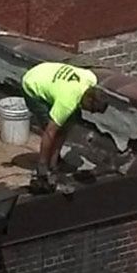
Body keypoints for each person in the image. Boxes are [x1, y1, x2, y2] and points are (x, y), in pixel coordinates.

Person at [21, 62, 109, 193]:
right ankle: (44, 168)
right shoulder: (67, 103)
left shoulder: (90, 79)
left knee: (70, 120)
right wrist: (42, 167)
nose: (90, 113)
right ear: (89, 100)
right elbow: (50, 133)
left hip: (48, 75)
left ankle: (54, 162)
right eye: (92, 109)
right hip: (33, 83)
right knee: (53, 129)